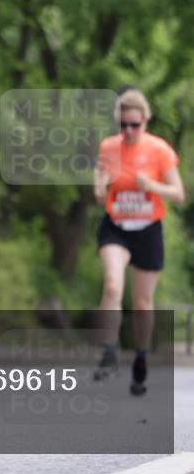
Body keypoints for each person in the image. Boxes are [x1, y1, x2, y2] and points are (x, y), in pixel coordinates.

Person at [92, 88, 184, 395]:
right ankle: (109, 352)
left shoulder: (159, 149)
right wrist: (99, 184)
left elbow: (179, 194)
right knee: (112, 286)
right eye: (122, 125)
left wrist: (153, 185)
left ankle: (141, 358)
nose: (128, 131)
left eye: (134, 124)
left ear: (145, 120)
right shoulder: (108, 147)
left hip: (147, 229)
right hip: (116, 226)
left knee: (143, 303)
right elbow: (99, 189)